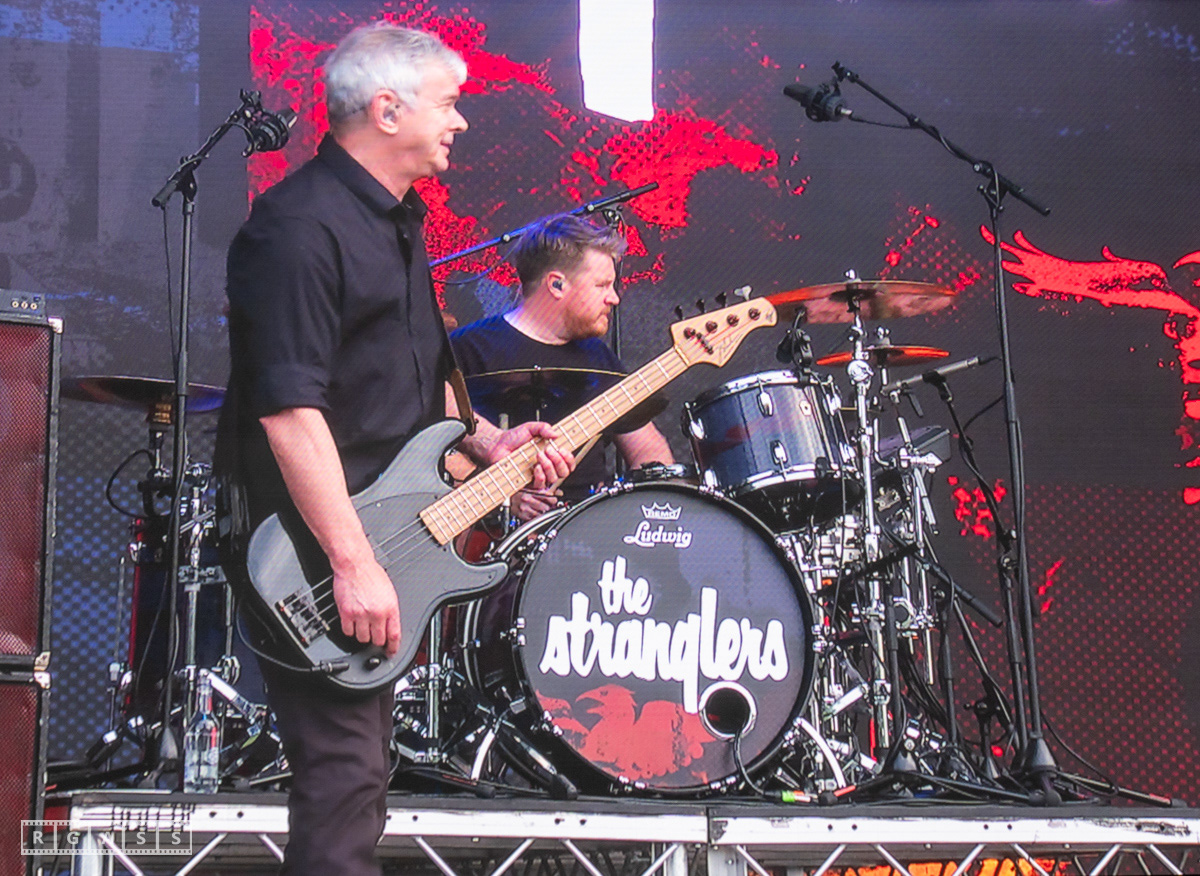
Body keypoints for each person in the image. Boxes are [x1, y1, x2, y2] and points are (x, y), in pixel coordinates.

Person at [214, 23, 573, 876]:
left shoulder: (397, 221)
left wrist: (489, 440)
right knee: (343, 785)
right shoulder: (297, 228)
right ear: (386, 110)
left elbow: (413, 372)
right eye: (448, 103)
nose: (461, 121)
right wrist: (351, 563)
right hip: (309, 551)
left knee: (358, 786)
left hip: (386, 534)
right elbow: (288, 412)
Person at [450, 214, 674, 521]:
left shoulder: (599, 358)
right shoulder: (467, 349)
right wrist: (499, 498)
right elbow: (430, 456)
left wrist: (647, 518)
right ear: (556, 284)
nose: (614, 298)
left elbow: (648, 451)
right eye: (602, 285)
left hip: (589, 532)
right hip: (487, 539)